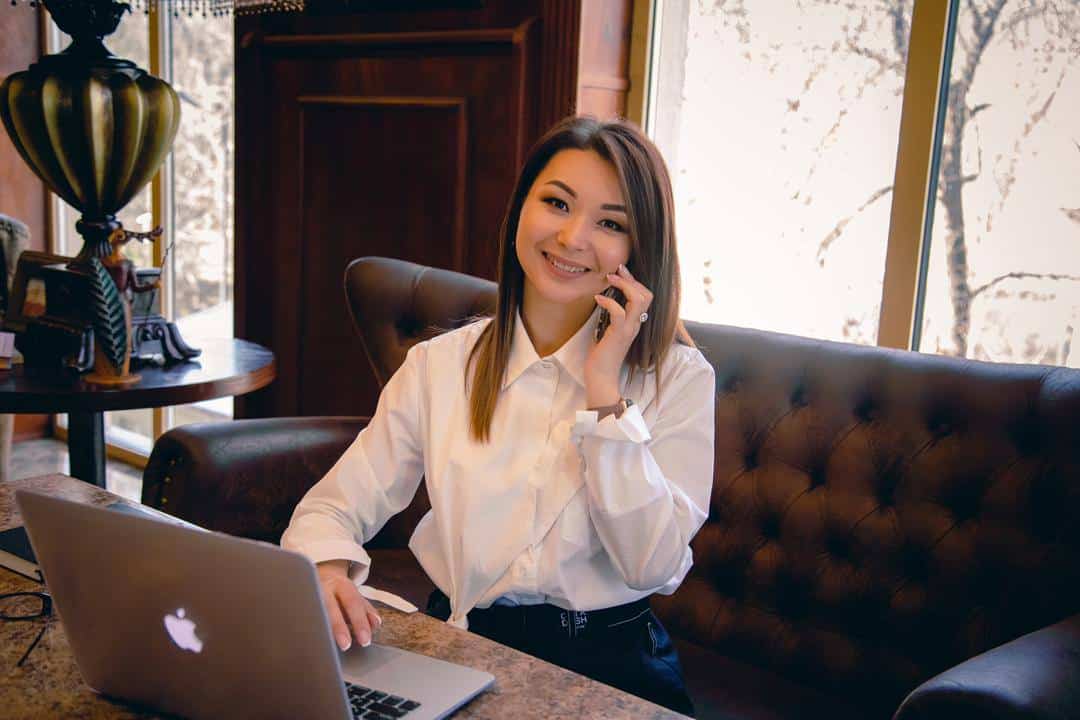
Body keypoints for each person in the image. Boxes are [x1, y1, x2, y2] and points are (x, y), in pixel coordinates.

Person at [281, 115, 715, 716]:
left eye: (609, 223)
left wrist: (604, 394)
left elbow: (651, 564)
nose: (571, 237)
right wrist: (325, 569)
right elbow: (333, 505)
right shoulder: (440, 365)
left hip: (615, 668)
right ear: (519, 211)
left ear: (639, 249)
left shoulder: (682, 379)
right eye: (556, 203)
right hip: (459, 648)